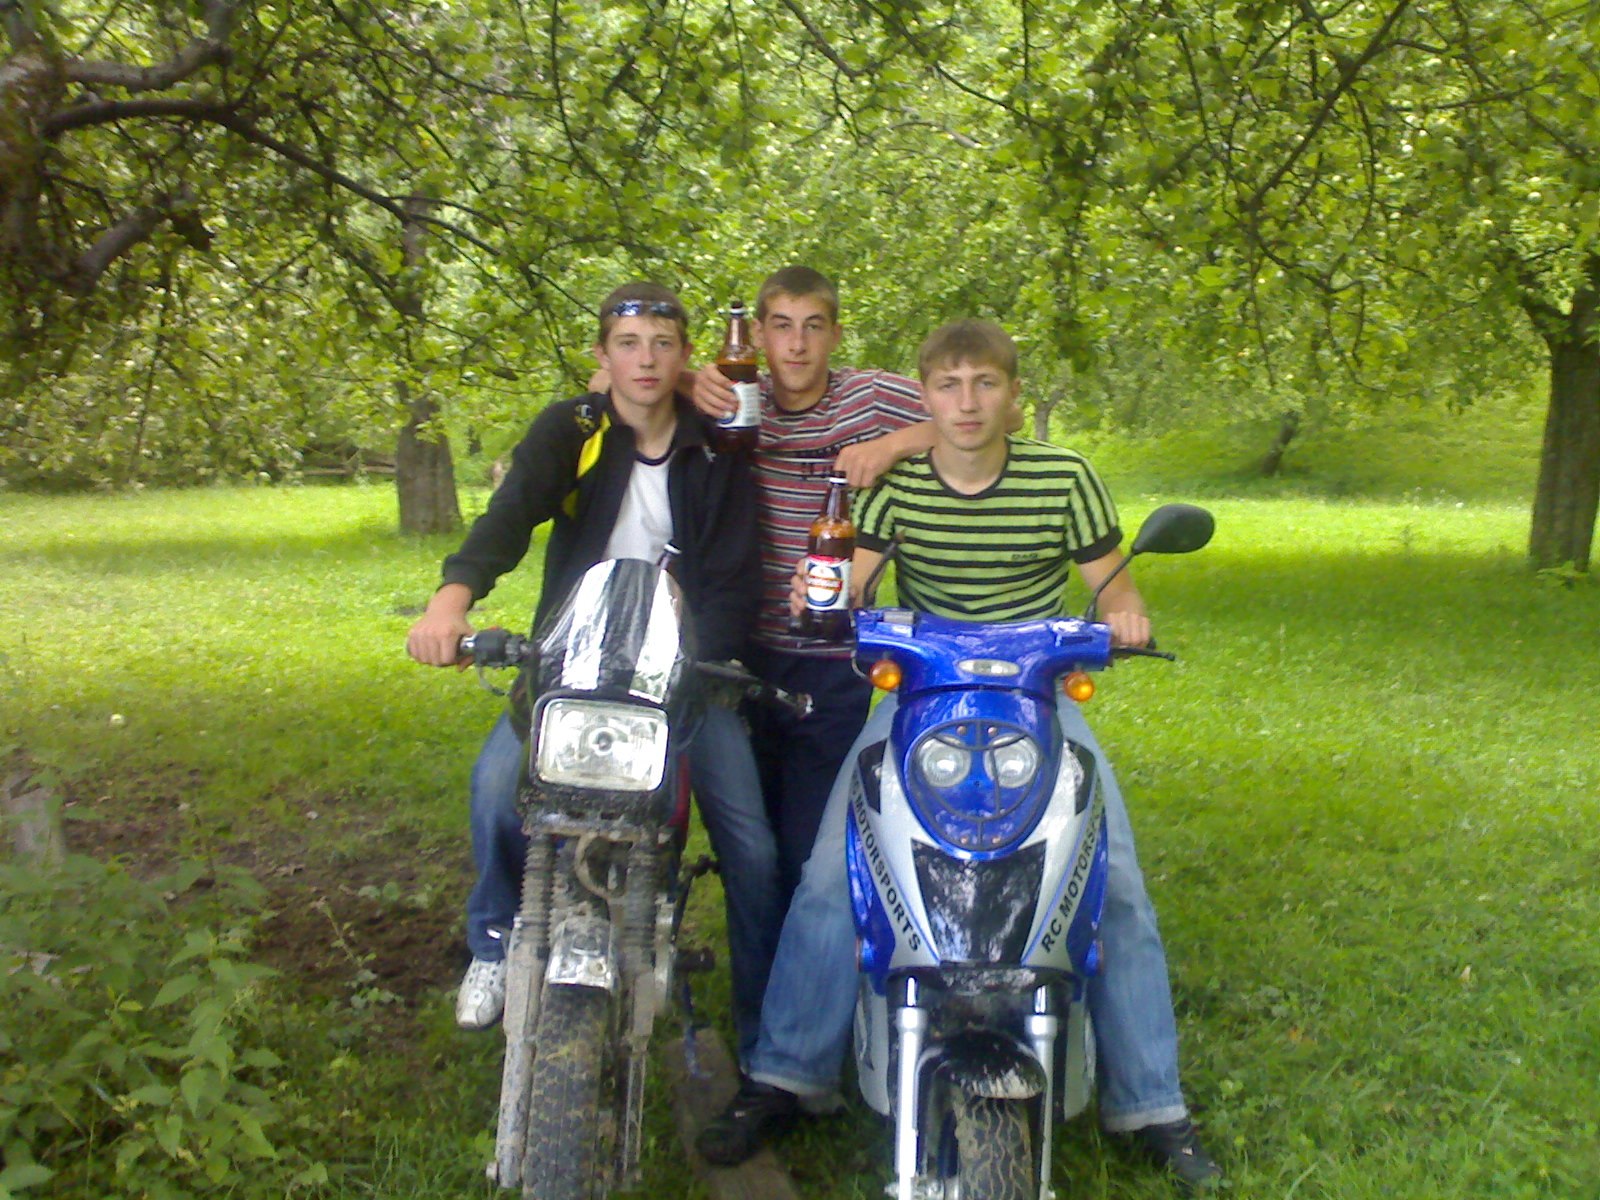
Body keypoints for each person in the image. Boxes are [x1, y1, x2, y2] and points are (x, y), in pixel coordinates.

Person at [695, 320, 1222, 1192]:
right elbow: (854, 580)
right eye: (949, 385)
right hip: (918, 698)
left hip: (1039, 698)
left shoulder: (1065, 478)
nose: (967, 403)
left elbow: (1114, 588)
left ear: (1013, 394)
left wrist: (1125, 618)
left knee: (1114, 882)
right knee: (833, 874)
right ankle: (784, 1075)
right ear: (925, 396)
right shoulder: (898, 487)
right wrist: (824, 595)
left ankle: (1153, 1104)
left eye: (985, 384)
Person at [406, 283, 779, 1063]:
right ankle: (494, 941)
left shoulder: (718, 445)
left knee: (750, 844)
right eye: (629, 344)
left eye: (664, 345)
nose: (646, 360)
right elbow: (508, 517)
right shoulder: (574, 429)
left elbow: (734, 577)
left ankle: (766, 1039)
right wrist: (450, 603)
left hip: (682, 668)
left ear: (685, 356)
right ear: (602, 356)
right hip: (572, 661)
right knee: (497, 787)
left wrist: (694, 660)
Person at [687, 267, 943, 904]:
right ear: (759, 336)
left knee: (810, 848)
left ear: (835, 335)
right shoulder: (733, 396)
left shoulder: (870, 397)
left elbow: (994, 414)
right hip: (744, 652)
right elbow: (624, 386)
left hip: (833, 656)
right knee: (751, 848)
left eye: (813, 327)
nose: (797, 345)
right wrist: (681, 381)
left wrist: (895, 444)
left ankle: (809, 961)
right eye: (781, 327)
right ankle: (761, 964)